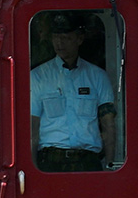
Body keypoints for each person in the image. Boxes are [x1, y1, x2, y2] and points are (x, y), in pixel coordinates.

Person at [30, 12, 117, 172]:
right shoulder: (38, 77)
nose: (60, 42)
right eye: (56, 37)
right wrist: (33, 168)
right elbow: (32, 127)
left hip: (88, 162)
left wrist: (110, 166)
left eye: (66, 37)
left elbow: (108, 124)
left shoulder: (97, 76)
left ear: (79, 39)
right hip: (50, 162)